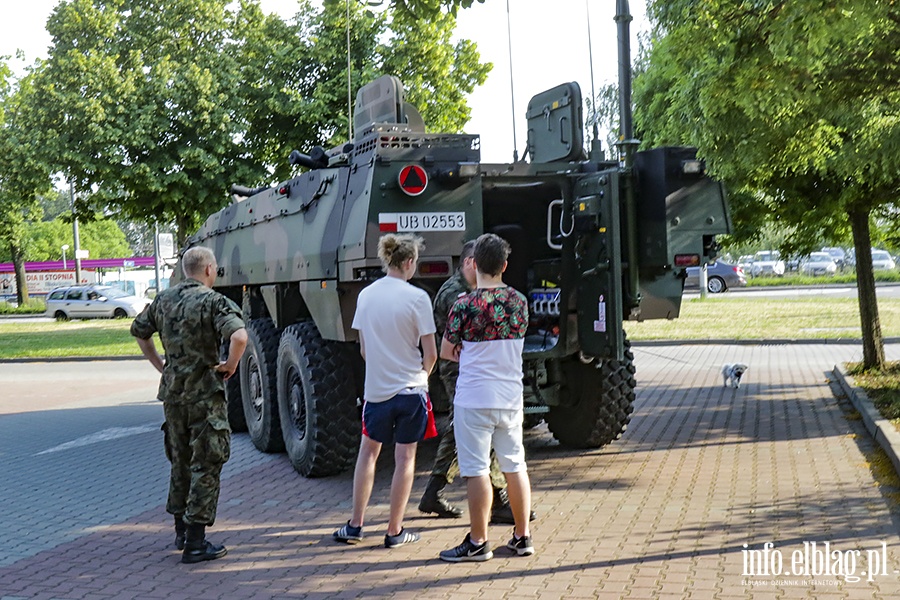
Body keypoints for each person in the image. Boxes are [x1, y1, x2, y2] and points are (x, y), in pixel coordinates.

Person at [130, 246, 247, 564]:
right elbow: (239, 336)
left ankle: (181, 531)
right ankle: (196, 542)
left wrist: (161, 366)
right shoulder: (213, 301)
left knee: (180, 462)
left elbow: (139, 332)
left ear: (185, 270)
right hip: (204, 397)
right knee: (206, 465)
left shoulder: (163, 300)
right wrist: (230, 366)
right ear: (209, 269)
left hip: (173, 396)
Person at [333, 233, 437, 548]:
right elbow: (430, 353)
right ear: (408, 262)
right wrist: (421, 375)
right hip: (410, 391)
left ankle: (355, 525)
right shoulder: (418, 298)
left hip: (376, 392)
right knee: (405, 458)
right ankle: (394, 531)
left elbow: (364, 349)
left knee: (368, 453)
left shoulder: (366, 296)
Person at [438, 233, 534, 562]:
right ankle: (522, 536)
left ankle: (478, 542)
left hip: (474, 398)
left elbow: (447, 352)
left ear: (474, 264)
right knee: (515, 465)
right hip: (510, 396)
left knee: (476, 469)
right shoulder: (519, 301)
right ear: (504, 266)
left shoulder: (464, 304)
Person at [418, 241, 526, 525]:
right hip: (460, 372)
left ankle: (439, 490)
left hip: (472, 377)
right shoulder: (457, 295)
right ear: (468, 263)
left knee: (467, 433)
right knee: (477, 439)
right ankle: (498, 501)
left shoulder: (468, 299)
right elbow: (450, 348)